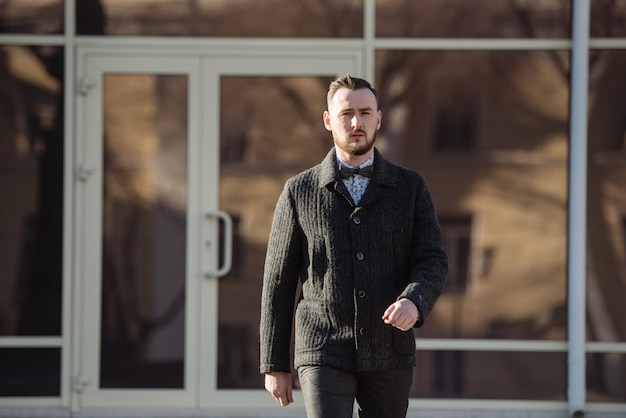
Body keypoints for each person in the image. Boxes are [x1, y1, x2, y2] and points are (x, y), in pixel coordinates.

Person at [259, 74, 448, 418]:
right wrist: (274, 363)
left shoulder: (411, 188)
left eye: (365, 112)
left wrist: (414, 300)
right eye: (346, 113)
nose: (356, 122)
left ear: (379, 118)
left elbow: (433, 259)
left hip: (389, 348)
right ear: (328, 120)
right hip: (322, 348)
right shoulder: (298, 191)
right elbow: (278, 281)